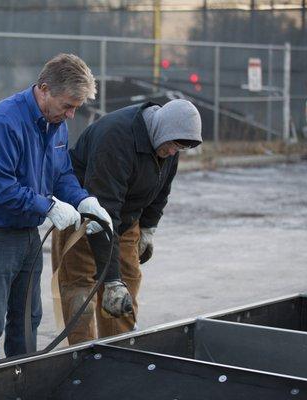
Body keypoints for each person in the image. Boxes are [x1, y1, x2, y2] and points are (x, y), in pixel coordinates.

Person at [0, 53, 112, 367]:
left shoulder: (55, 124)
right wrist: (48, 205)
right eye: (68, 105)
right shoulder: (5, 121)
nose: (70, 115)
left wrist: (83, 200)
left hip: (25, 231)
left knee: (27, 317)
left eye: (76, 108)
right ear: (44, 89)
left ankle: (21, 383)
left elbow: (61, 174)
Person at [52, 99, 203, 345]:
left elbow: (161, 190)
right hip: (85, 217)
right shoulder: (116, 138)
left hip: (125, 219)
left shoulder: (169, 142)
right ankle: (82, 359)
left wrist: (147, 229)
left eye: (180, 148)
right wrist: (110, 278)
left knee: (124, 293)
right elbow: (104, 211)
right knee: (81, 290)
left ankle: (118, 354)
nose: (175, 152)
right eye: (174, 145)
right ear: (163, 130)